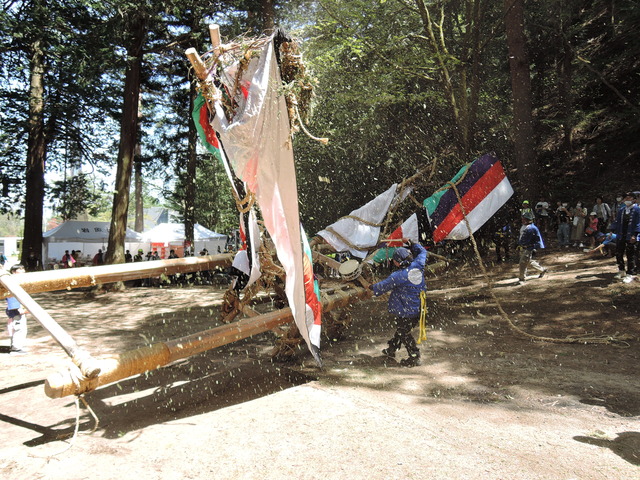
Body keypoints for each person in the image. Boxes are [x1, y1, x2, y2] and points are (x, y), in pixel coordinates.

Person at [368, 239, 428, 367]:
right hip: (418, 308)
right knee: (402, 329)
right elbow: (422, 251)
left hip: (406, 311)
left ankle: (414, 356)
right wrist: (412, 243)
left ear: (397, 262)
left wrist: (370, 287)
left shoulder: (397, 276)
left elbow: (382, 286)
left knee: (403, 332)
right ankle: (391, 349)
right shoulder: (418, 265)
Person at [610, 191, 640, 283]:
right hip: (621, 235)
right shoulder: (621, 210)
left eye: (629, 198)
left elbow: (639, 223)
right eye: (626, 198)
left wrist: (635, 235)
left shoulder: (637, 210)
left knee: (630, 255)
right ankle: (621, 270)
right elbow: (617, 222)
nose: (627, 199)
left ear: (634, 199)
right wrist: (612, 230)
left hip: (631, 236)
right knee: (619, 253)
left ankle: (630, 273)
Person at [4, 264, 28, 354]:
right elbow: (11, 297)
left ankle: (16, 345)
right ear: (13, 272)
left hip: (18, 307)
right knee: (19, 327)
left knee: (20, 327)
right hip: (15, 309)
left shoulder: (18, 281)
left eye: (23, 269)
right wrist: (17, 308)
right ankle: (16, 348)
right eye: (19, 269)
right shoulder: (11, 282)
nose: (22, 271)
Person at [517, 213, 547, 284]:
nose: (522, 220)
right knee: (528, 261)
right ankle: (542, 270)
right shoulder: (524, 226)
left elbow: (531, 240)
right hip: (523, 248)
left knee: (522, 263)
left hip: (528, 248)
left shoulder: (531, 228)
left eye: (524, 219)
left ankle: (522, 279)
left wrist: (529, 247)